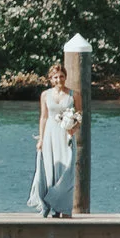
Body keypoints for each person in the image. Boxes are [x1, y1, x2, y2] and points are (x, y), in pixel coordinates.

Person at [29, 62, 80, 218]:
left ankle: (63, 207)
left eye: (62, 77)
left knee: (67, 169)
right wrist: (41, 139)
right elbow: (44, 117)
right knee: (50, 170)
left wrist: (73, 128)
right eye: (56, 77)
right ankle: (51, 206)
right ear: (51, 79)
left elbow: (80, 116)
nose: (59, 80)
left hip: (66, 135)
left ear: (66, 77)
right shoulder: (45, 95)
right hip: (50, 134)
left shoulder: (74, 95)